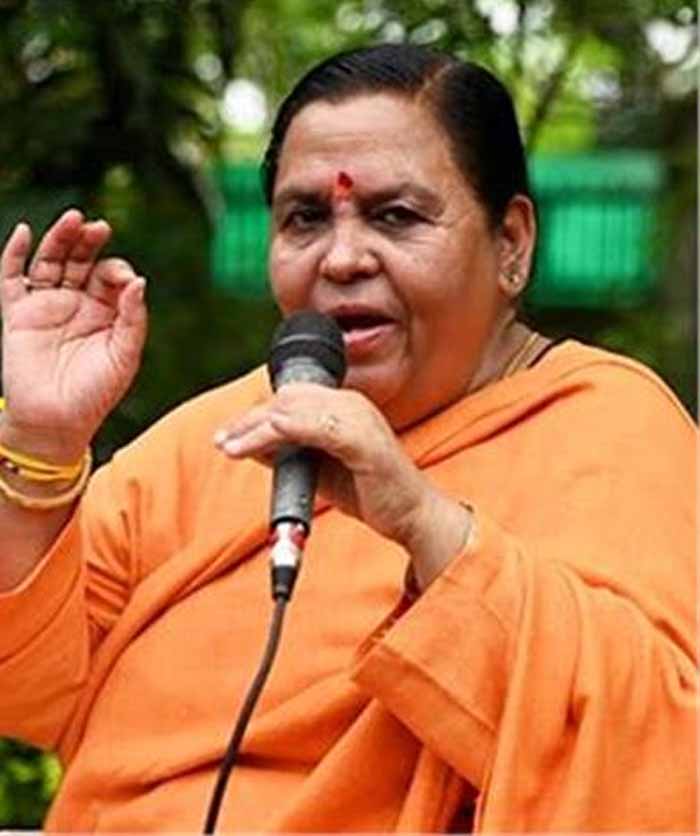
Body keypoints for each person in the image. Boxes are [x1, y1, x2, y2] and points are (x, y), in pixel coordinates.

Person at [0, 43, 695, 833]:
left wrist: (426, 526)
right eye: (305, 219)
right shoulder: (224, 434)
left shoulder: (609, 428)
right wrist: (42, 445)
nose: (342, 258)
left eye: (396, 216)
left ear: (511, 244)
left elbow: (660, 762)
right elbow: (27, 690)